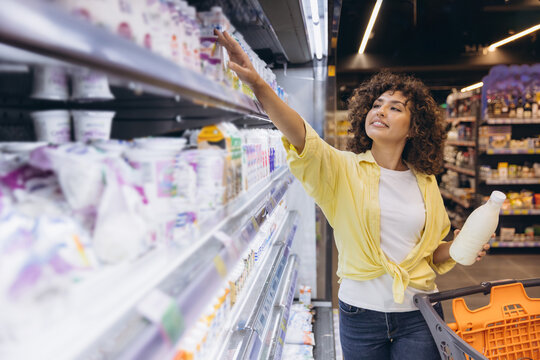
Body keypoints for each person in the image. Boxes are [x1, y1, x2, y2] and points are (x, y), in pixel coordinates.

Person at [215, 30, 490, 360]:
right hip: (361, 315)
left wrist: (460, 248)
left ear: (415, 126)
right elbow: (303, 137)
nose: (381, 111)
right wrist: (258, 85)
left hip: (419, 313)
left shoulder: (425, 182)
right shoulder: (342, 169)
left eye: (395, 108)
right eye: (376, 105)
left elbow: (430, 255)